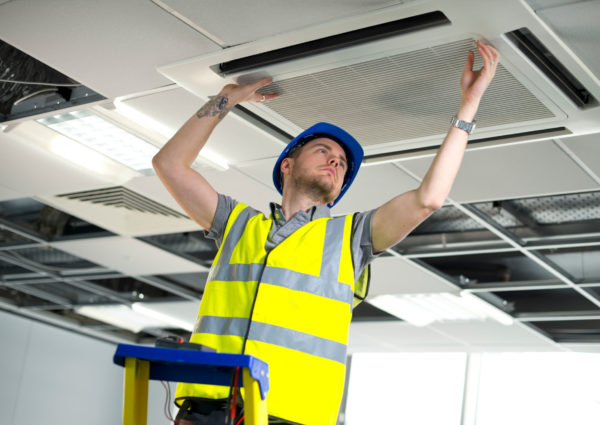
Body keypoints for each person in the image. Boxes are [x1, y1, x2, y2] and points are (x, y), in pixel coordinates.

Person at [153, 40, 500, 425]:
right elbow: (169, 164)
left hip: (289, 416)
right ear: (287, 165)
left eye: (341, 164)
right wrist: (227, 99)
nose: (336, 160)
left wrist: (469, 106)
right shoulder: (237, 224)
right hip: (206, 411)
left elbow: (429, 198)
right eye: (323, 151)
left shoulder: (352, 238)